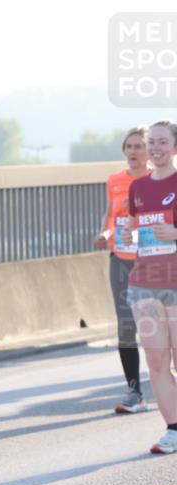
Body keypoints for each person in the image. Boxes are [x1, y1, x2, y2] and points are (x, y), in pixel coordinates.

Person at [121, 120, 177, 454]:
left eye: (162, 142)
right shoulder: (137, 187)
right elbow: (133, 229)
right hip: (143, 284)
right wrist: (127, 236)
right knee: (156, 362)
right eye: (150, 142)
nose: (154, 148)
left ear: (174, 146)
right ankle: (173, 430)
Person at [94, 127, 151, 413]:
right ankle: (134, 392)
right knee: (126, 327)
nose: (133, 151)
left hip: (153, 262)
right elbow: (111, 213)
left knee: (159, 327)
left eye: (139, 146)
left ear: (149, 150)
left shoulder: (161, 180)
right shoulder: (115, 180)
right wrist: (105, 233)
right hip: (120, 260)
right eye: (128, 146)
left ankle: (167, 381)